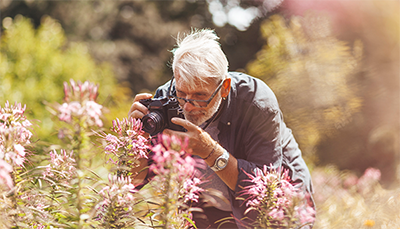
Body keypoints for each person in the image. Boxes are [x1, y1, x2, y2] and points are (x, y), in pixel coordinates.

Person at [128, 29, 314, 229]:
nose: (188, 106)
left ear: (224, 87)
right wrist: (138, 142)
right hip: (205, 205)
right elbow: (135, 182)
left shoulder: (256, 102)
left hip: (277, 204)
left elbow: (262, 190)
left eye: (200, 95)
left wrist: (209, 151)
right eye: (181, 93)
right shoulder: (166, 99)